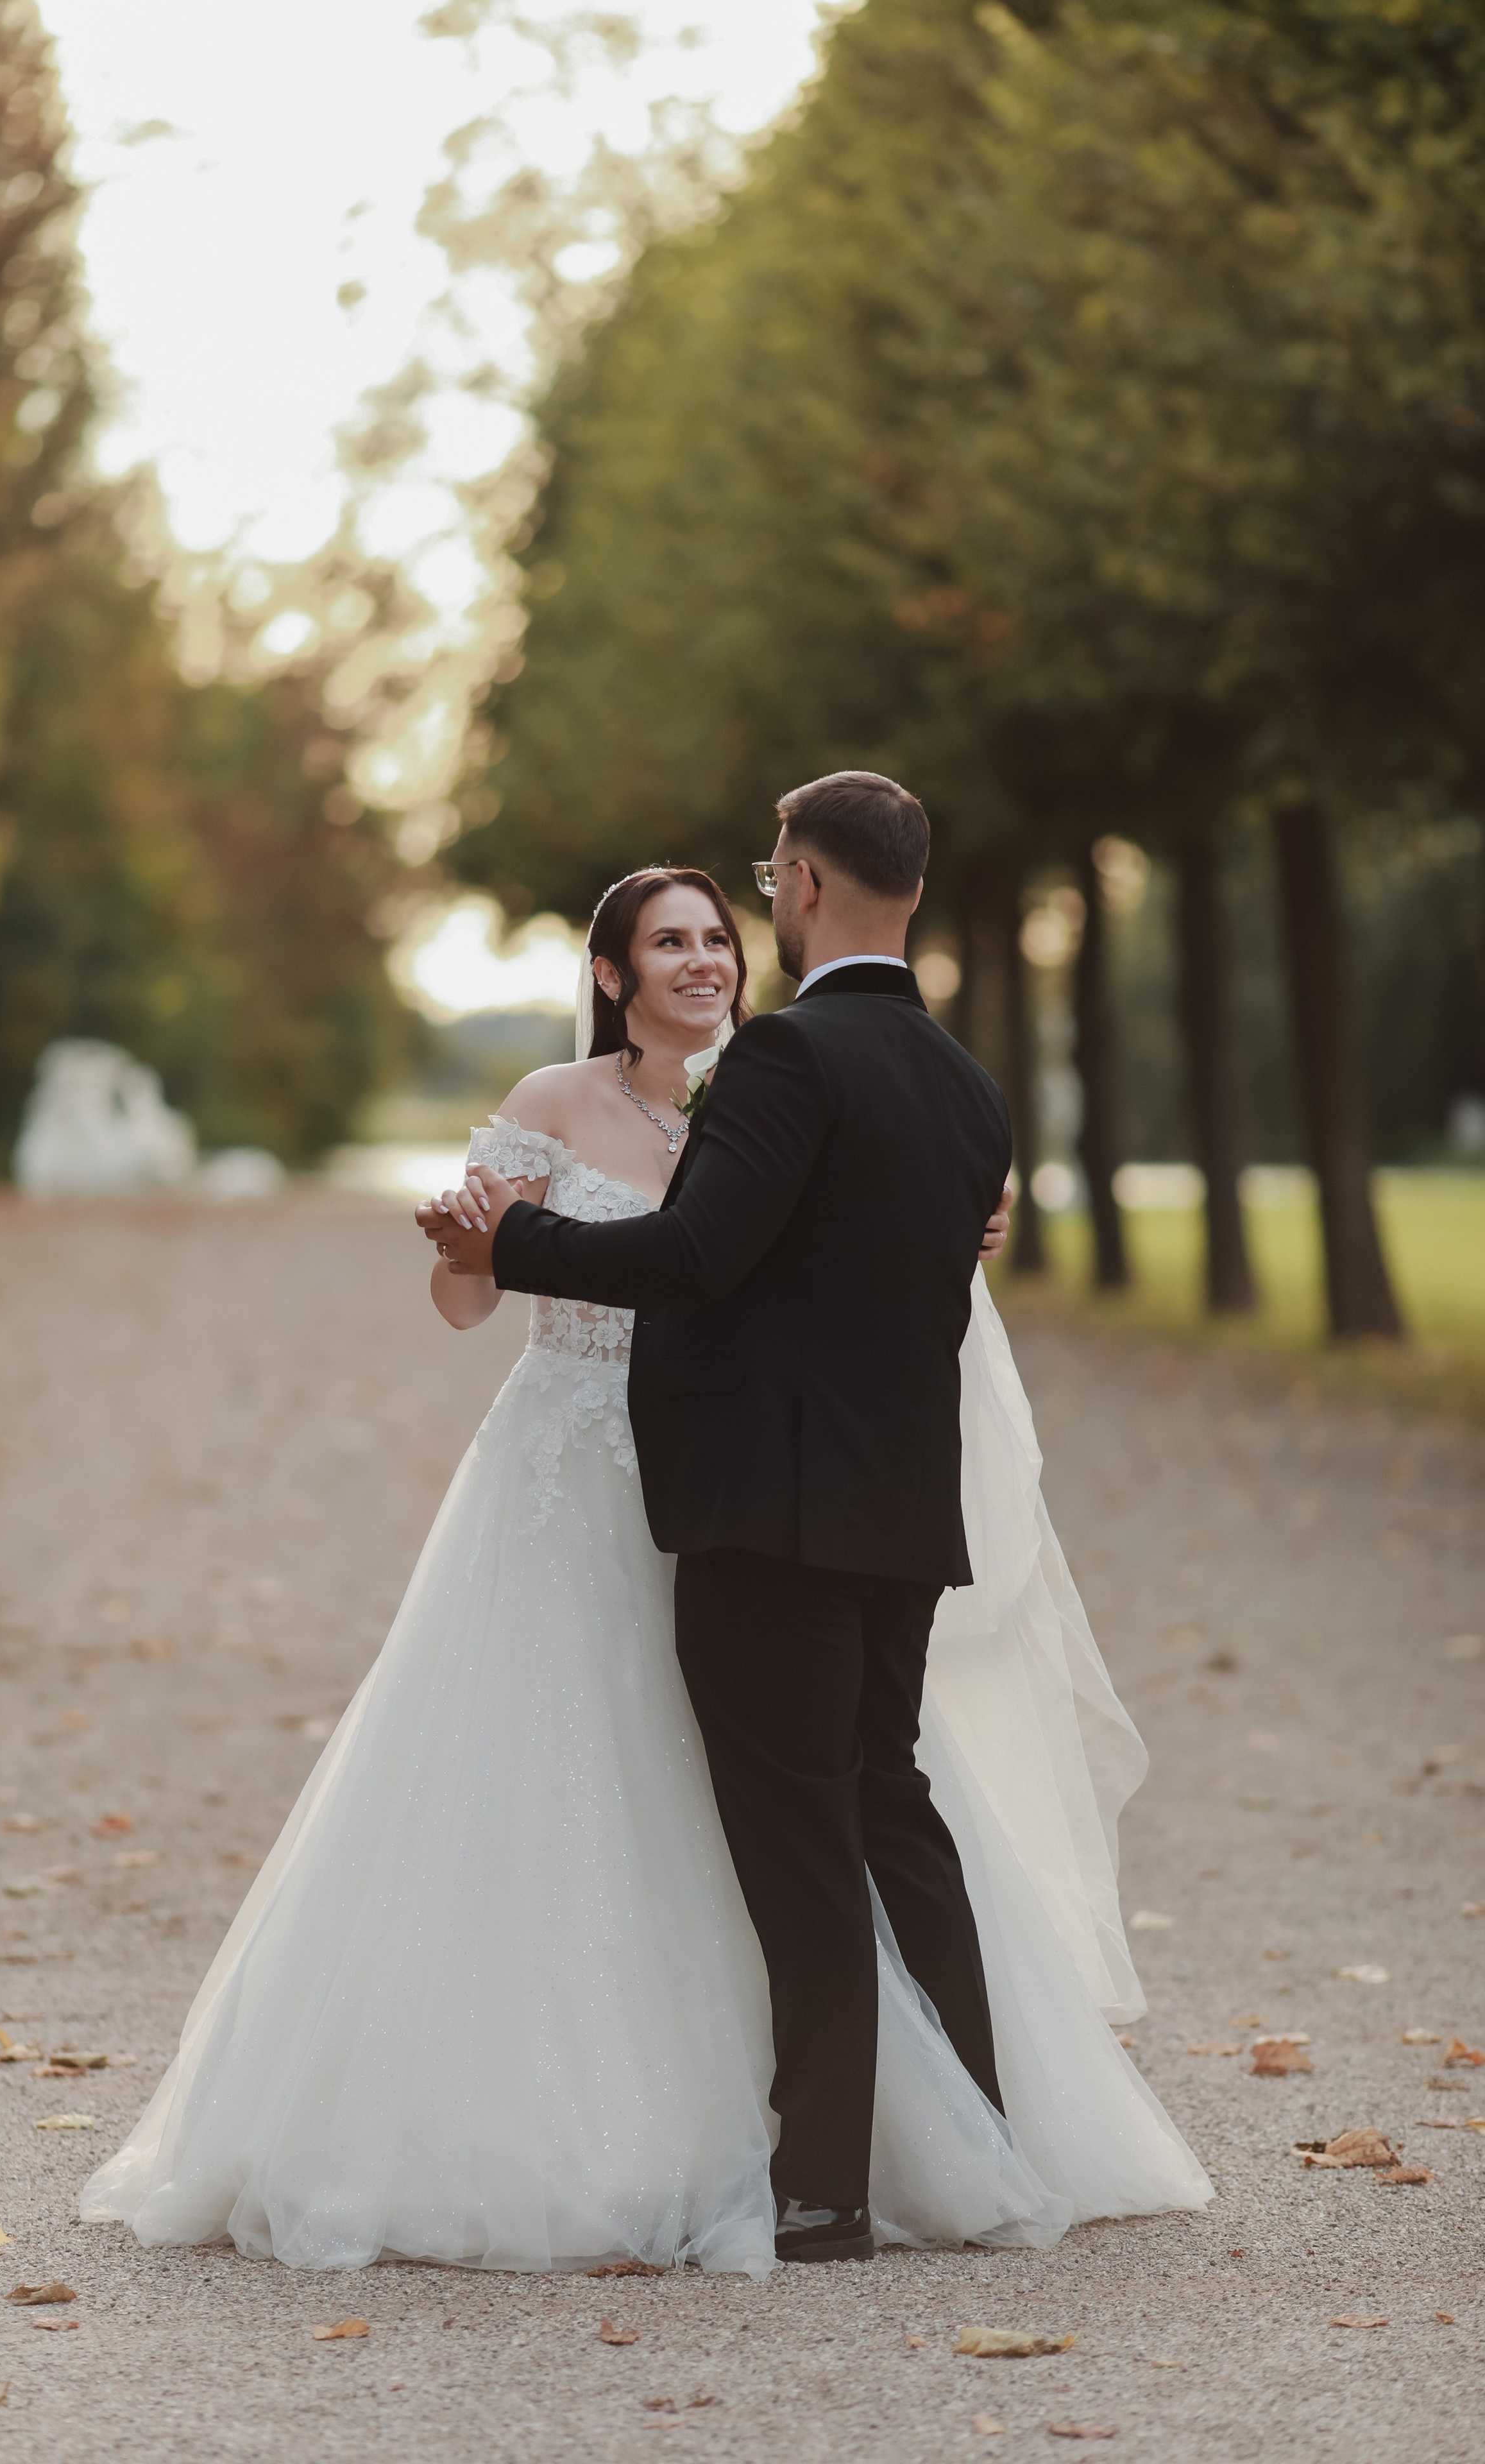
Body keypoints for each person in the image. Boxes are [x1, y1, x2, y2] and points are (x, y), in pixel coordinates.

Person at [81, 837, 1209, 2277]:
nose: (701, 965)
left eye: (715, 942)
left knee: (801, 1804)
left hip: (745, 1487)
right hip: (583, 1475)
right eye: (668, 946)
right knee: (603, 1776)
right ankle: (643, 2123)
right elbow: (459, 1297)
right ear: (609, 976)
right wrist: (470, 1245)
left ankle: (860, 2148)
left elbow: (761, 1252)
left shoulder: (782, 1084)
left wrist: (957, 1220)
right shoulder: (563, 1101)